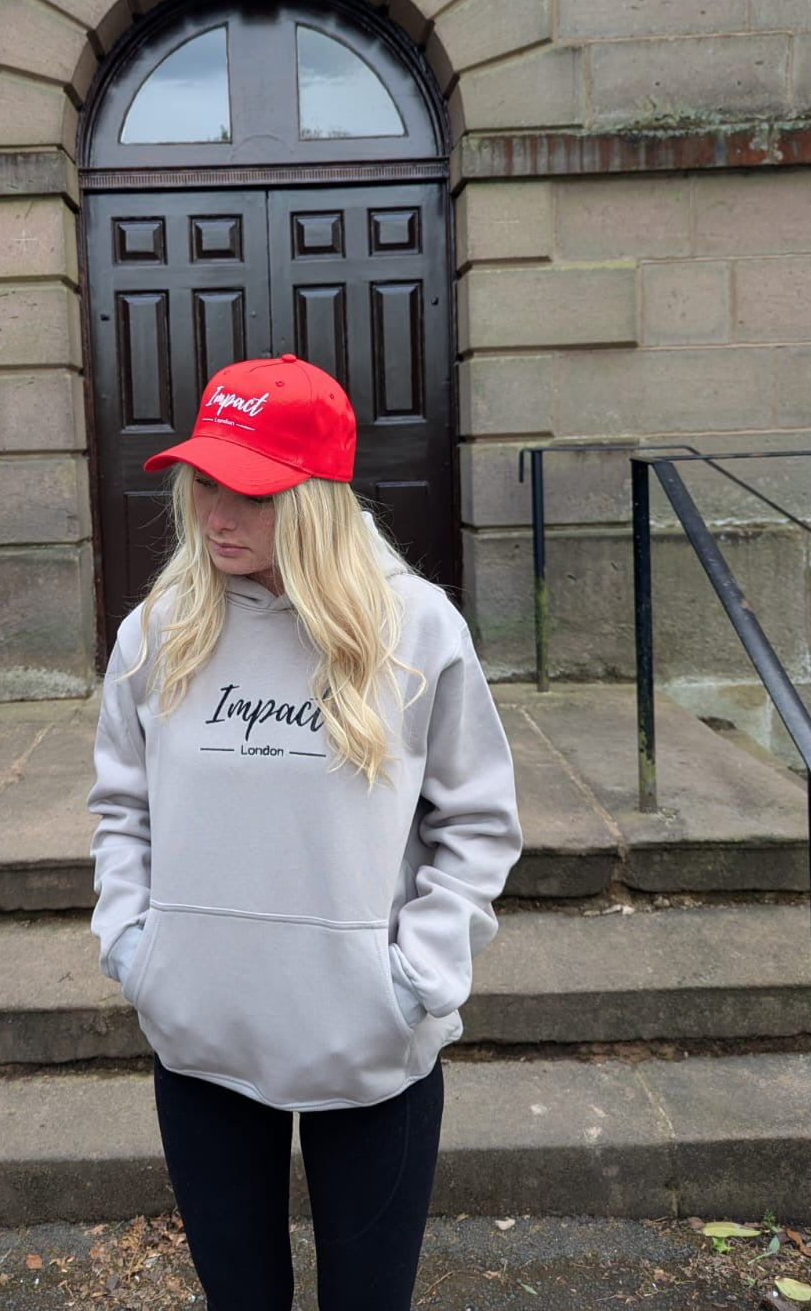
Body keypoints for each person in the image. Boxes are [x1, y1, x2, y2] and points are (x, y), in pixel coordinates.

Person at [88, 353, 522, 1311]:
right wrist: (133, 945)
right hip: (202, 1032)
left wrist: (418, 976)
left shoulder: (416, 629)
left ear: (316, 497)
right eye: (204, 482)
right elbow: (123, 808)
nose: (214, 515)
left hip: (370, 1043)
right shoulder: (159, 631)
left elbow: (478, 820)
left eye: (247, 490)